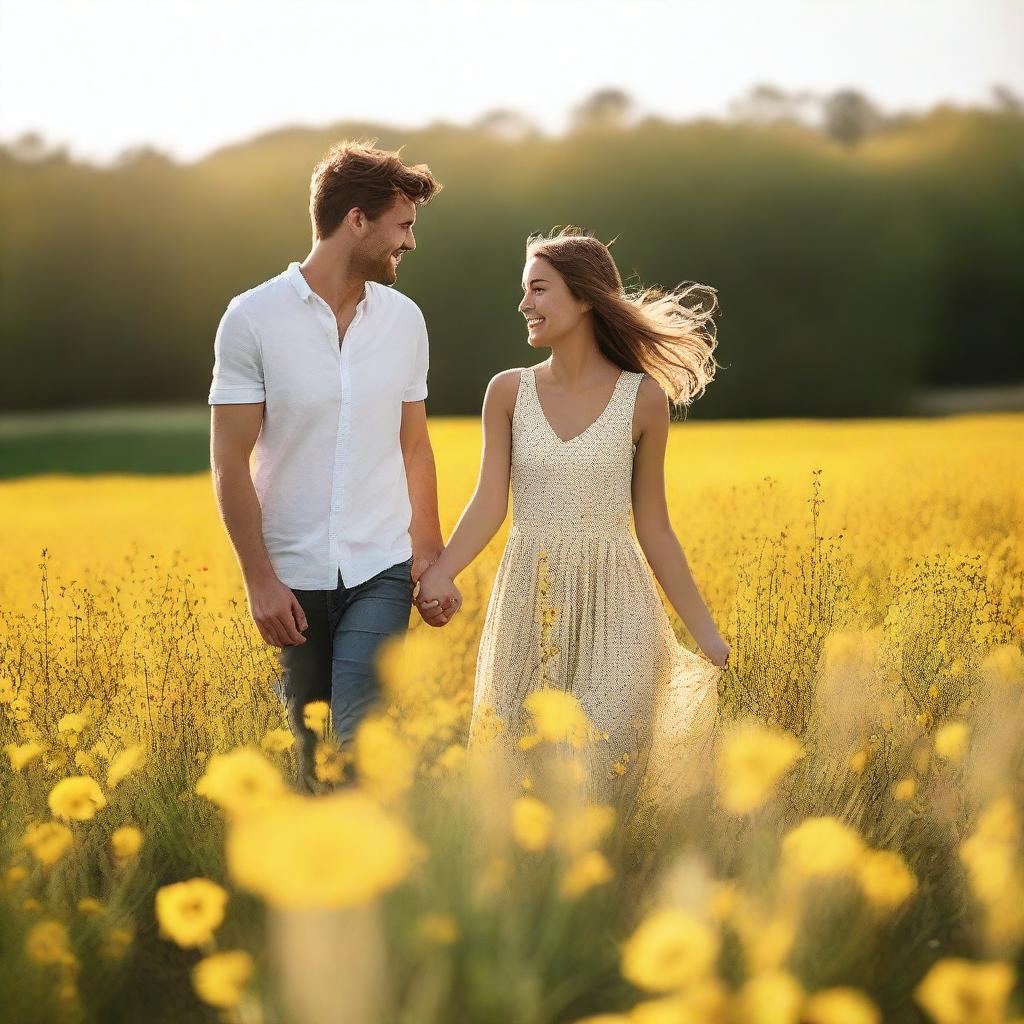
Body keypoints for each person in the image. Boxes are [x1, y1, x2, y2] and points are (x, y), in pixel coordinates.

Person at [415, 226, 729, 817]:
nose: (523, 304)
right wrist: (441, 573)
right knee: (519, 780)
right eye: (523, 291)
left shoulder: (645, 400)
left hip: (620, 609)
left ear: (583, 298)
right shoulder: (507, 393)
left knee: (600, 783)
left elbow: (655, 527)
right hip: (529, 607)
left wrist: (705, 633)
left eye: (538, 290)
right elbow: (490, 501)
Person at [208, 140, 456, 792]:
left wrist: (428, 553)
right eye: (403, 225)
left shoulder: (405, 322)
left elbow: (414, 446)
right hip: (290, 579)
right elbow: (230, 460)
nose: (410, 242)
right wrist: (259, 579)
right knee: (312, 756)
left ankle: (368, 883)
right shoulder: (252, 318)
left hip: (381, 566)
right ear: (357, 220)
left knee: (359, 741)